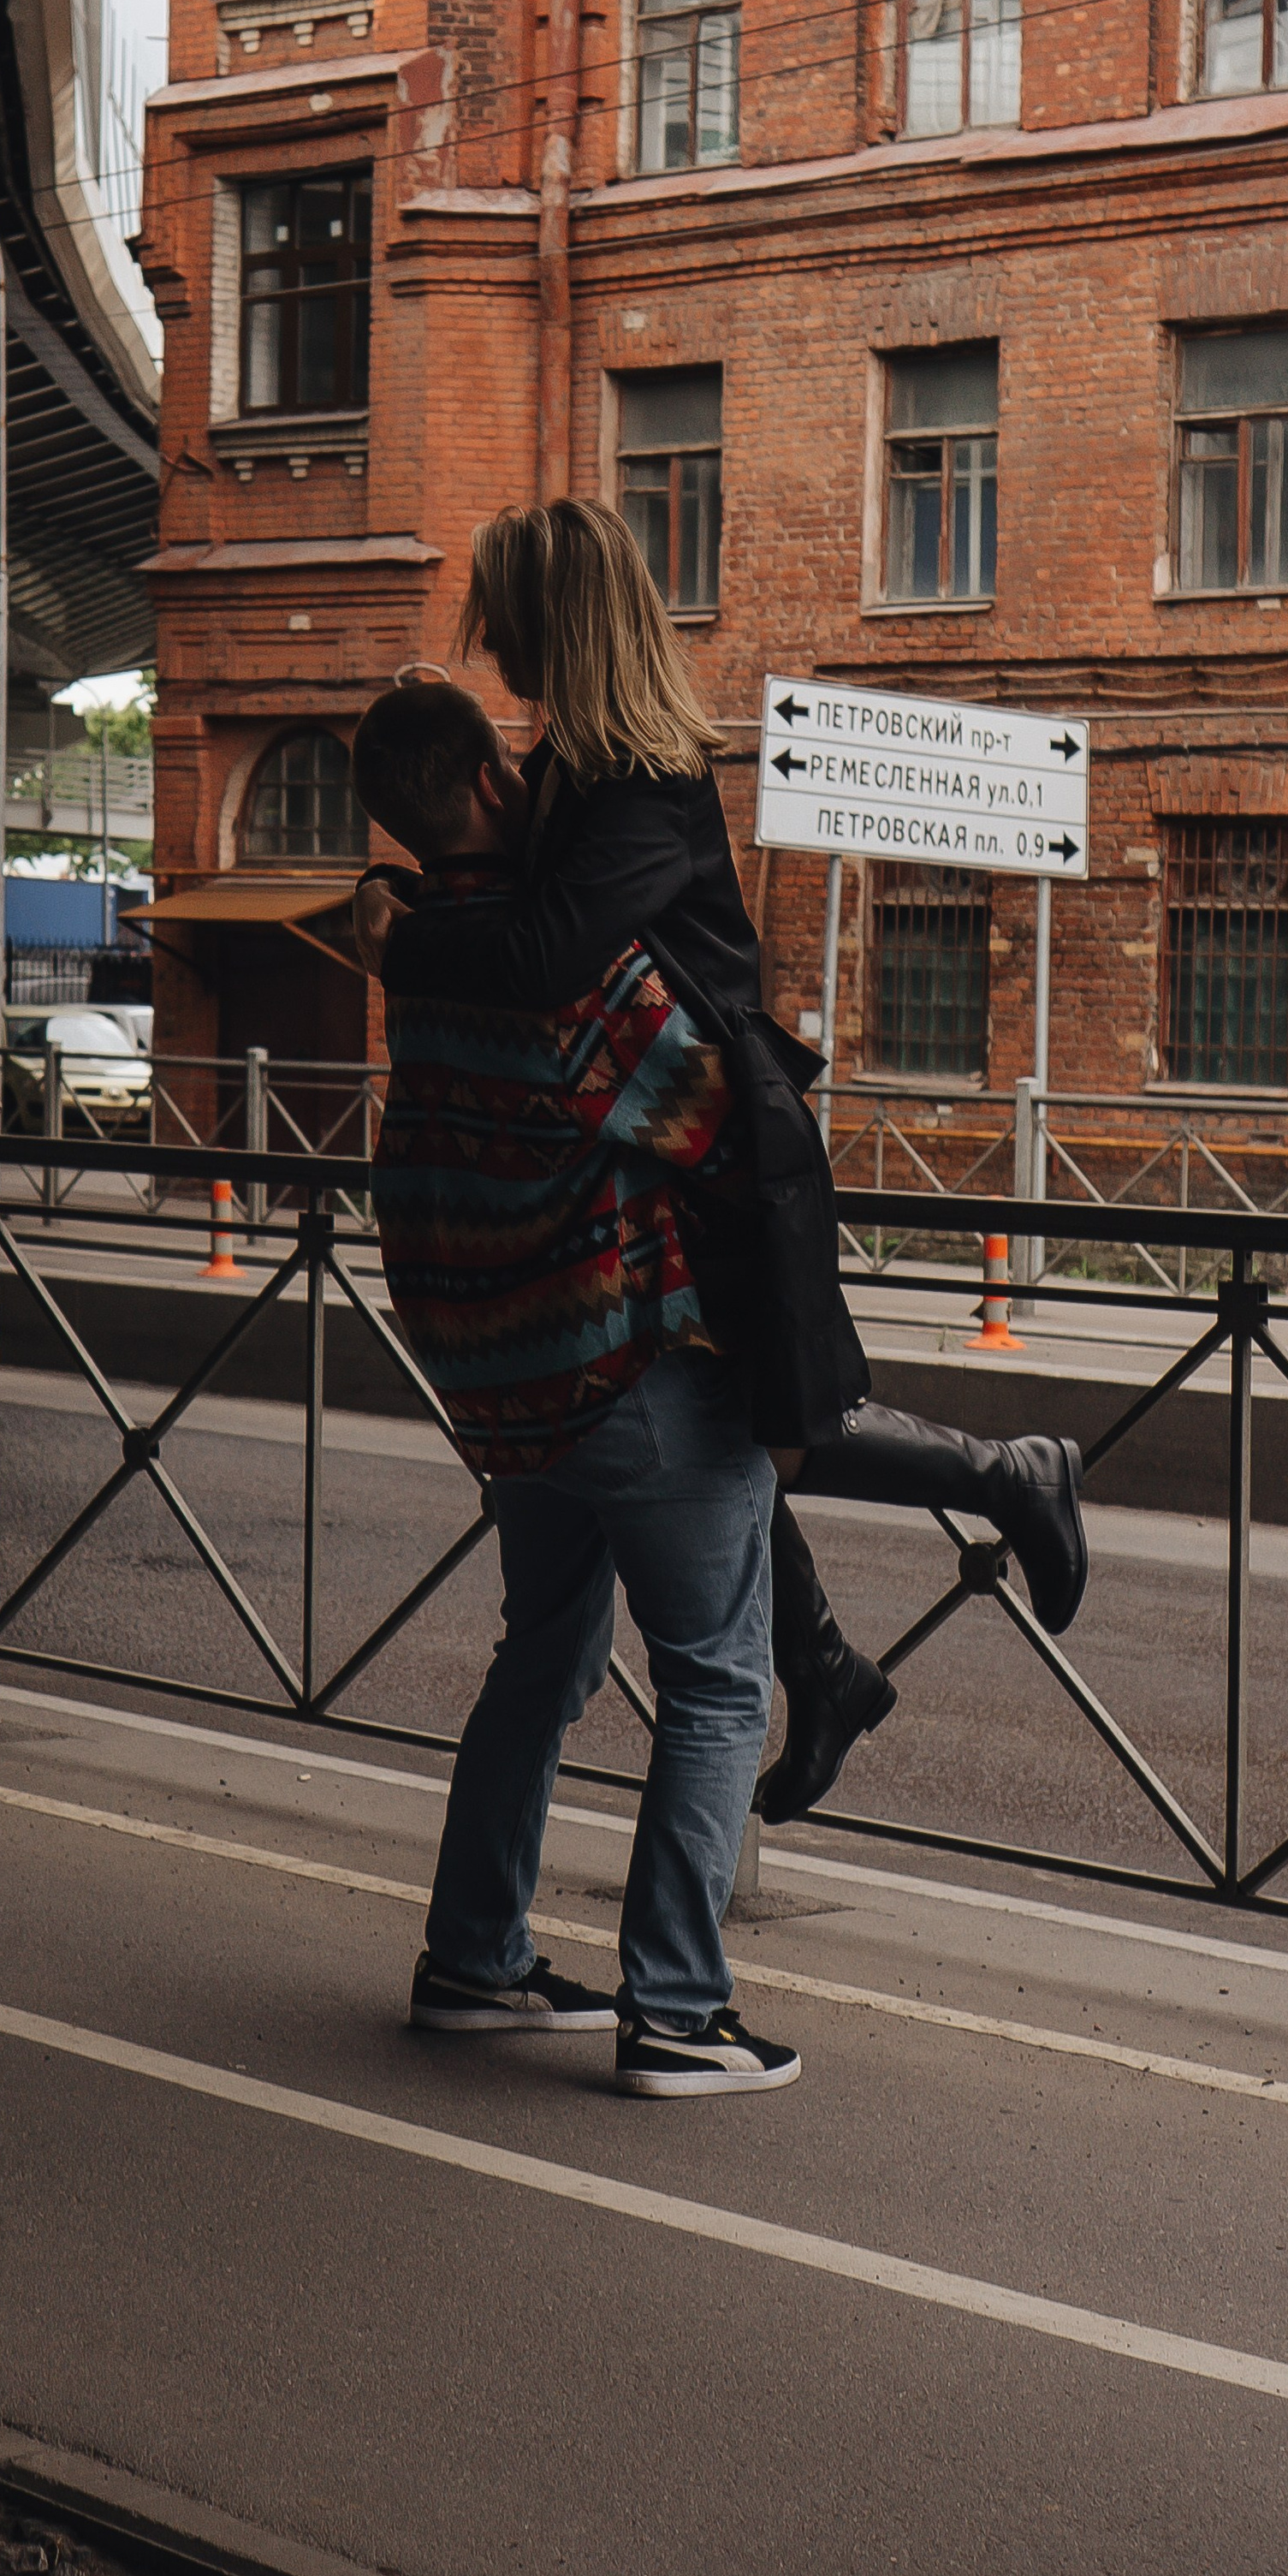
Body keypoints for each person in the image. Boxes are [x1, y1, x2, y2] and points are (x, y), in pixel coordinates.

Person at [355, 500, 1089, 1825]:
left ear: (555, 619)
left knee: (763, 1439)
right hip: (663, 1151)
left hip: (716, 1152)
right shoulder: (579, 772)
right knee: (731, 1446)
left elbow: (537, 960)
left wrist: (398, 938)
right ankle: (832, 1663)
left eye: (506, 617)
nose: (492, 641)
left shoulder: (638, 780)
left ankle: (993, 1490)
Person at [355, 675, 801, 2098]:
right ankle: (676, 2012)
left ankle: (473, 1962)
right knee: (720, 1684)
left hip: (505, 1392)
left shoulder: (421, 966)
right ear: (494, 779)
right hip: (625, 1368)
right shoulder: (568, 971)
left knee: (542, 1655)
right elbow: (715, 1113)